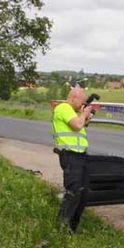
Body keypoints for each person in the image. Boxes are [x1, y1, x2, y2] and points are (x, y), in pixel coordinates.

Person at [51, 87, 94, 233]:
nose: (82, 105)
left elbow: (83, 124)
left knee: (83, 194)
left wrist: (86, 116)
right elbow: (77, 125)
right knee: (73, 193)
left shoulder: (74, 113)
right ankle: (62, 229)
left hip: (80, 156)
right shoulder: (64, 108)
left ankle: (72, 228)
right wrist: (84, 114)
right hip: (70, 156)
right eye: (81, 101)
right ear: (74, 97)